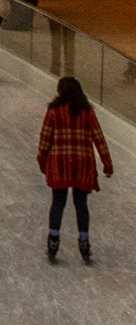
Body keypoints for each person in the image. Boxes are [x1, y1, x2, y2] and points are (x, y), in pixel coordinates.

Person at [39, 74, 113, 263]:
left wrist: (42, 160)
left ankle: (53, 240)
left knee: (58, 203)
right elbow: (99, 138)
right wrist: (106, 162)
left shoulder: (53, 111)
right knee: (81, 204)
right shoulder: (87, 111)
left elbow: (45, 139)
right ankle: (84, 242)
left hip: (60, 164)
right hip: (82, 164)